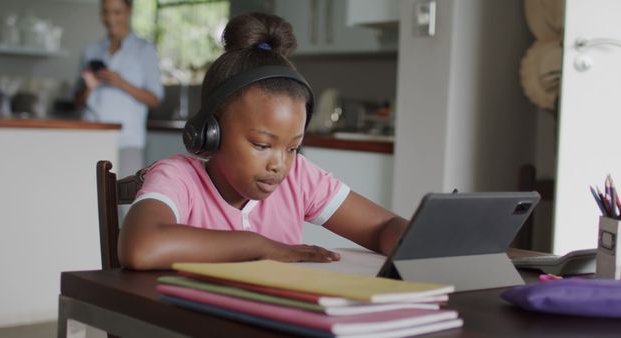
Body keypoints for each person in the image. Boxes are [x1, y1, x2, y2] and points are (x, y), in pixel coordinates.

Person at [118, 12, 408, 270]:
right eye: (262, 145)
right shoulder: (178, 178)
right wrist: (259, 246)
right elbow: (141, 247)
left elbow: (382, 226)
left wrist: (415, 239)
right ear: (210, 132)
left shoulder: (299, 178)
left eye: (292, 148)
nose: (279, 165)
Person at [74, 0, 163, 178]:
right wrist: (89, 87)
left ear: (128, 11)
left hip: (127, 140)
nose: (110, 18)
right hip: (91, 136)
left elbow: (154, 99)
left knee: (124, 201)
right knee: (86, 196)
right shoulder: (91, 51)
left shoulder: (144, 51)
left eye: (117, 12)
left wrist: (121, 83)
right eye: (105, 12)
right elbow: (77, 101)